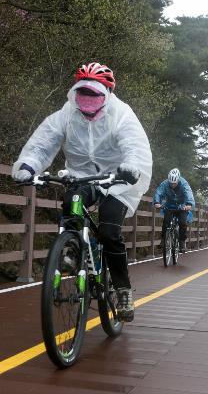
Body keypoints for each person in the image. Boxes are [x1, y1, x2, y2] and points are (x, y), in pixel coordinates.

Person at [12, 61, 152, 322]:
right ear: (75, 91)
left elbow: (135, 145)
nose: (87, 99)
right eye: (83, 92)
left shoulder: (122, 114)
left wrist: (131, 167)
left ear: (107, 94)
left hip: (118, 179)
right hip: (82, 177)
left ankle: (122, 290)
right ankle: (70, 250)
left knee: (110, 232)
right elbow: (44, 142)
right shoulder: (66, 114)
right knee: (72, 202)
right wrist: (28, 165)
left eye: (94, 93)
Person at [153, 168, 195, 253]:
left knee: (183, 223)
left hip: (182, 207)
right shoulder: (165, 183)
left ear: (178, 180)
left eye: (174, 183)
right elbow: (158, 192)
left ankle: (182, 243)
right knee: (166, 222)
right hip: (170, 206)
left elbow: (188, 193)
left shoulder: (184, 183)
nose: (172, 185)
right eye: (171, 183)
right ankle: (163, 239)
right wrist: (157, 202)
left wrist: (189, 204)